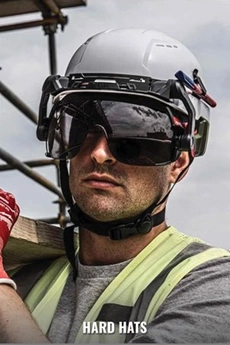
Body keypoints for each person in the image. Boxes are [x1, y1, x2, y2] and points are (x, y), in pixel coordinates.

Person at [1, 28, 230, 343]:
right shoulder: (26, 278)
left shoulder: (212, 286)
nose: (98, 153)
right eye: (79, 129)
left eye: (133, 138)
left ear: (179, 163)